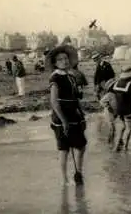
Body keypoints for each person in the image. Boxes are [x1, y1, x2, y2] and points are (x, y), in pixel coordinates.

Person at [46, 45, 86, 185]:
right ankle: (64, 180)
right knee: (64, 149)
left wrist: (82, 116)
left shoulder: (71, 76)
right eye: (60, 59)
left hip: (74, 115)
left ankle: (79, 173)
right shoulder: (55, 78)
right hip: (61, 116)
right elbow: (54, 102)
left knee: (81, 146)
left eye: (66, 58)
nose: (64, 61)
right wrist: (63, 121)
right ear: (55, 63)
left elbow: (76, 99)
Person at [110, 66, 131, 151]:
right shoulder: (129, 85)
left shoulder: (116, 83)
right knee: (128, 128)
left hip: (118, 109)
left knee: (122, 126)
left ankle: (117, 145)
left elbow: (111, 91)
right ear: (130, 76)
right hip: (127, 109)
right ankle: (126, 147)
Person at [99, 78, 118, 145]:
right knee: (112, 128)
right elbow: (101, 101)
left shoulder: (116, 94)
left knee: (113, 128)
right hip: (109, 113)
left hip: (113, 113)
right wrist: (108, 106)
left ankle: (111, 141)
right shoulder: (109, 94)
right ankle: (110, 143)